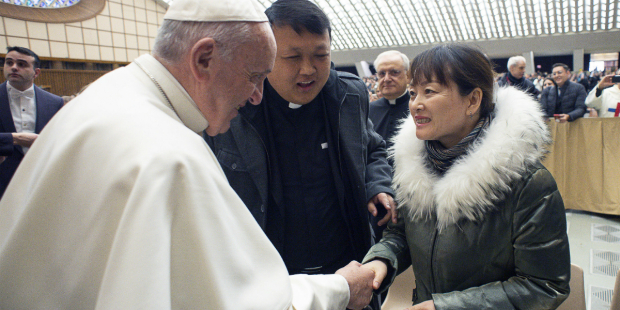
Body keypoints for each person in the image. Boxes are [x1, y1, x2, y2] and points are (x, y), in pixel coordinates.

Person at [0, 0, 377, 309]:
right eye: (253, 76)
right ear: (203, 59)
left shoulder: (113, 93)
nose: (258, 96)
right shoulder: (169, 153)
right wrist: (338, 290)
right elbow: (233, 301)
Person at [205, 1, 395, 308]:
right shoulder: (233, 109)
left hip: (346, 267)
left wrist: (377, 185)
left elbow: (372, 148)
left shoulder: (349, 95)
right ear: (264, 54)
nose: (308, 69)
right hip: (272, 277)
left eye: (321, 55)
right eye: (292, 57)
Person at [361, 44, 570, 309]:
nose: (415, 104)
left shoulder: (527, 183)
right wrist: (382, 258)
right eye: (413, 93)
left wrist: (446, 307)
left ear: (472, 100)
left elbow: (545, 285)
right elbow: (401, 232)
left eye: (429, 91)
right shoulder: (414, 166)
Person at [0, 46, 63, 198]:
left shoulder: (55, 102)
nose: (14, 67)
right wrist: (14, 138)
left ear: (36, 72)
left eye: (22, 64)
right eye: (9, 63)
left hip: (41, 180)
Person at [368, 50, 410, 242]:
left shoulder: (419, 107)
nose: (386, 78)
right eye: (381, 74)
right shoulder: (367, 110)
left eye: (394, 72)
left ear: (407, 76)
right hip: (378, 194)